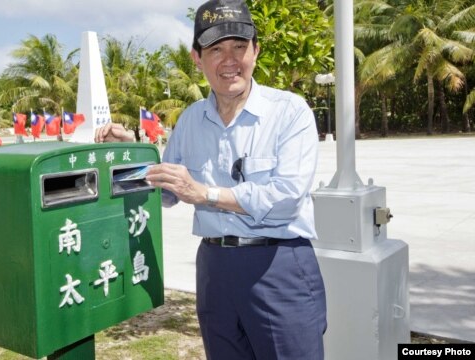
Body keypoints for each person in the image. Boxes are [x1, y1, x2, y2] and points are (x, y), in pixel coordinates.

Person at [95, 0, 326, 358]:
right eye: (216, 49)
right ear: (197, 58)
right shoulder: (189, 120)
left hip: (278, 265)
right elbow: (167, 192)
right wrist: (134, 157)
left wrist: (206, 194)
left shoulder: (289, 112)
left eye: (239, 46)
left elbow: (287, 198)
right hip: (215, 269)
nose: (229, 59)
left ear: (256, 50)